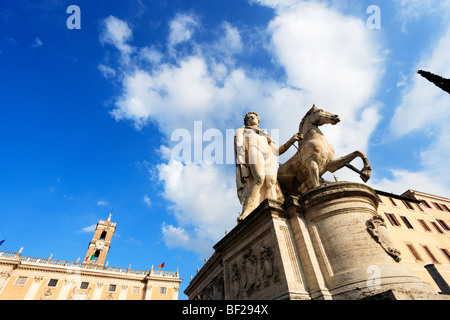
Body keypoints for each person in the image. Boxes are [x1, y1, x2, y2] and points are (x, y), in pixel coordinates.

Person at [234, 112, 302, 221]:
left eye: (254, 116)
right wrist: (242, 165)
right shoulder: (241, 131)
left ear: (258, 119)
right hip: (253, 150)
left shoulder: (265, 134)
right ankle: (247, 210)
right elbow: (240, 148)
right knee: (260, 178)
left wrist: (291, 140)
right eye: (248, 117)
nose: (251, 117)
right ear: (246, 121)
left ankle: (276, 211)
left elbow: (277, 151)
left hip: (269, 155)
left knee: (271, 182)